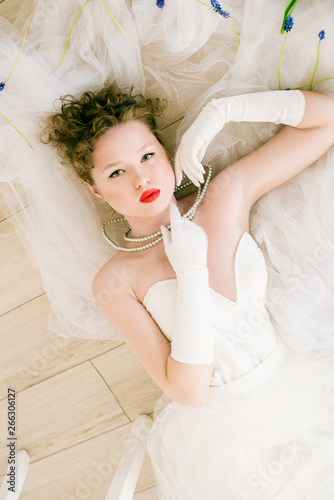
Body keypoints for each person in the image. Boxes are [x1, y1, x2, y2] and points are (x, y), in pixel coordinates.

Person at [1, 1, 334, 498]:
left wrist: (226, 112)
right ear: (97, 191)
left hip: (303, 391)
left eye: (147, 155)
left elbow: (327, 120)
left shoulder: (225, 196)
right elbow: (189, 390)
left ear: (164, 149)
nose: (141, 177)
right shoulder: (116, 280)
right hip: (229, 439)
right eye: (117, 172)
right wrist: (190, 274)